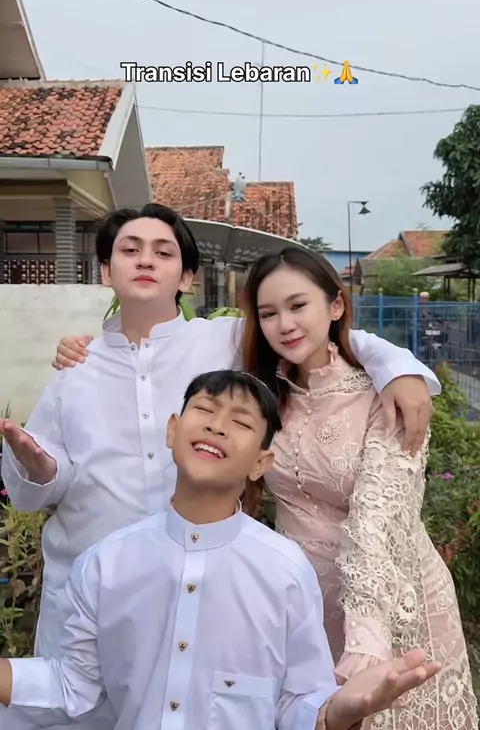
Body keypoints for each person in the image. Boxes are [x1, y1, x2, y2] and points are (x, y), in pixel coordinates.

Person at [0, 204, 439, 726]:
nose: (145, 261)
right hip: (91, 590)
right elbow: (31, 494)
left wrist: (399, 366)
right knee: (76, 701)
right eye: (129, 250)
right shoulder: (76, 368)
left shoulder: (220, 342)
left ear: (187, 276)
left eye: (163, 252)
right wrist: (39, 469)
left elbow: (308, 331)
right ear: (105, 271)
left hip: (211, 585)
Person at [0, 371, 441, 730]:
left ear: (261, 464)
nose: (217, 425)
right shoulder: (104, 564)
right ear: (172, 431)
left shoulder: (284, 570)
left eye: (242, 423)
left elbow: (299, 701)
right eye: (205, 410)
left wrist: (337, 710)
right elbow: (74, 685)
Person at [240, 247, 478, 729]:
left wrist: (367, 640)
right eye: (269, 313)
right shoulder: (263, 394)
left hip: (393, 610)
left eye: (298, 305)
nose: (285, 323)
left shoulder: (384, 395)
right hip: (301, 612)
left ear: (336, 305)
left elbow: (376, 520)